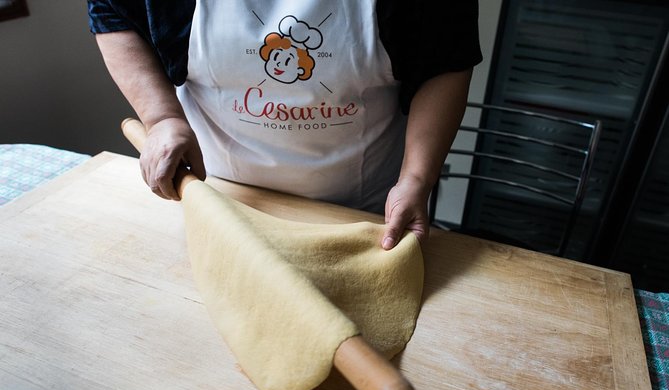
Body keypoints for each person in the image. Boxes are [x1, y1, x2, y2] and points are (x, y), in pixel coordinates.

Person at [87, 1, 482, 250]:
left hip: (362, 216)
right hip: (215, 201)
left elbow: (444, 60)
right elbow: (112, 10)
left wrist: (416, 177)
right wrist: (161, 118)